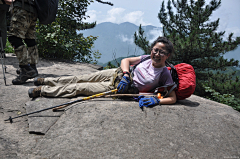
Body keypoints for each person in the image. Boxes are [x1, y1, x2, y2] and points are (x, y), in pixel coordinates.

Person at [28, 37, 177, 107]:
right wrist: (126, 74)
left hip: (120, 89)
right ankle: (46, 80)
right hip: (119, 75)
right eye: (155, 50)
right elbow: (126, 61)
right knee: (81, 78)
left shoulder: (164, 73)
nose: (157, 54)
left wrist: (158, 100)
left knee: (81, 88)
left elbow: (173, 97)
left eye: (162, 52)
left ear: (168, 55)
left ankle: (42, 91)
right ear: (151, 50)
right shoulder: (145, 58)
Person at [7, 0, 39, 85]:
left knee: (13, 37)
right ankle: (32, 68)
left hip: (22, 9)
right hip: (33, 10)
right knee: (30, 38)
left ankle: (26, 69)